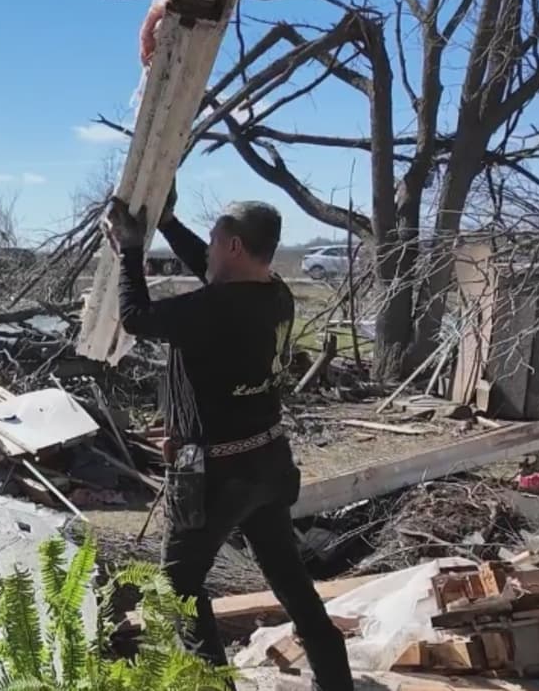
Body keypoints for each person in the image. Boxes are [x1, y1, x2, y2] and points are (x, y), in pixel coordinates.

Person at [102, 190, 354, 691]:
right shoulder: (276, 293)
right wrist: (168, 222)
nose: (209, 248)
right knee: (290, 581)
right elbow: (211, 271)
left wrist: (131, 250)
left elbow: (135, 317)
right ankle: (336, 680)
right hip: (267, 465)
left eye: (215, 240)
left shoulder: (212, 309)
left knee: (179, 588)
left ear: (235, 246)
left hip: (215, 476)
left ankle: (214, 685)